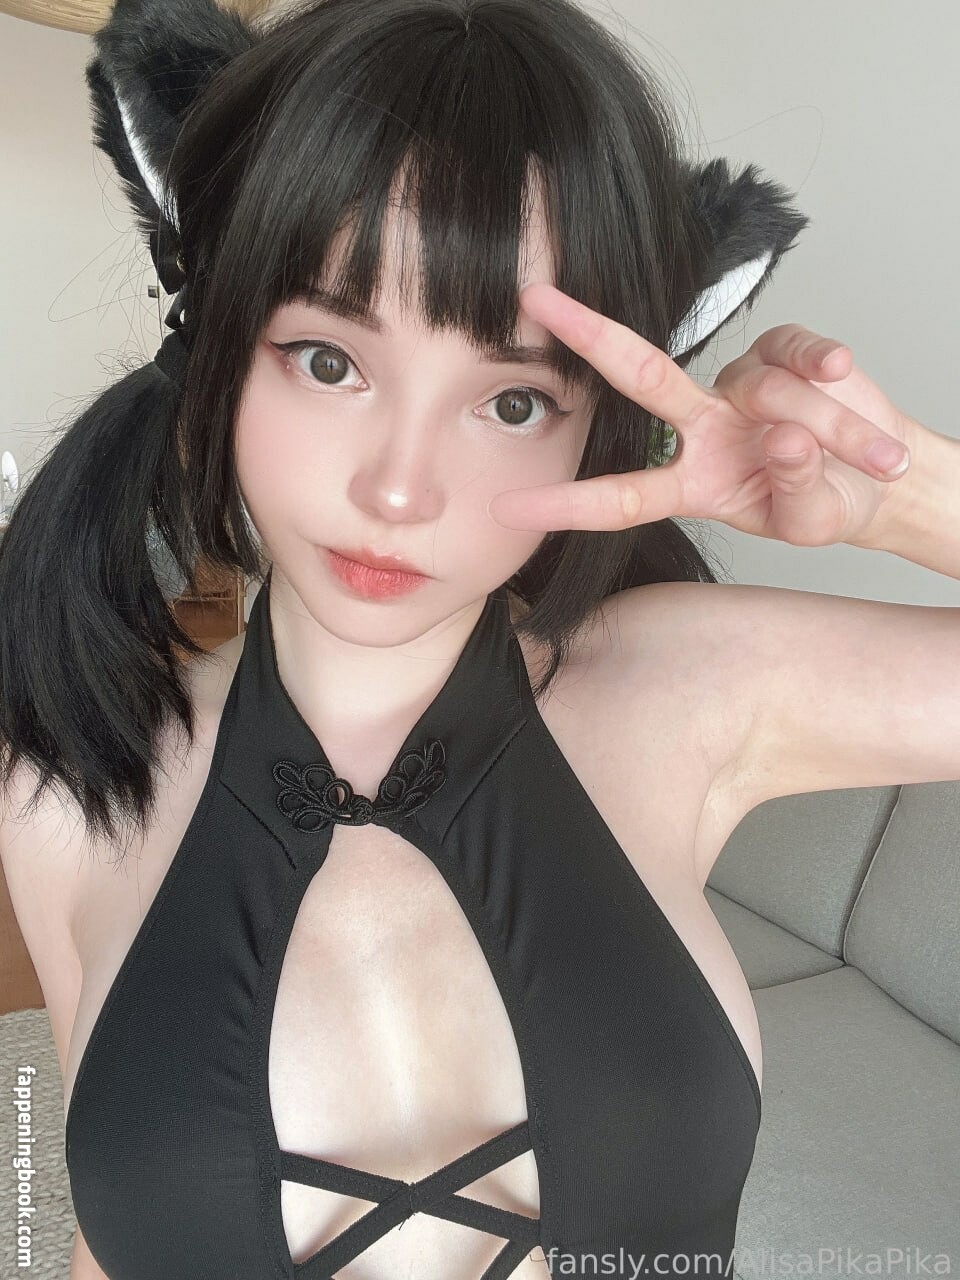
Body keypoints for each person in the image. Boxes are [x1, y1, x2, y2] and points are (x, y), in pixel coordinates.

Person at [1, 1, 957, 1278]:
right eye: (327, 360)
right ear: (221, 348)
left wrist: (907, 497)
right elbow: (106, 1240)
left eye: (511, 401)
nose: (400, 489)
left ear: (595, 423)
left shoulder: (690, 688)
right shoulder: (69, 791)